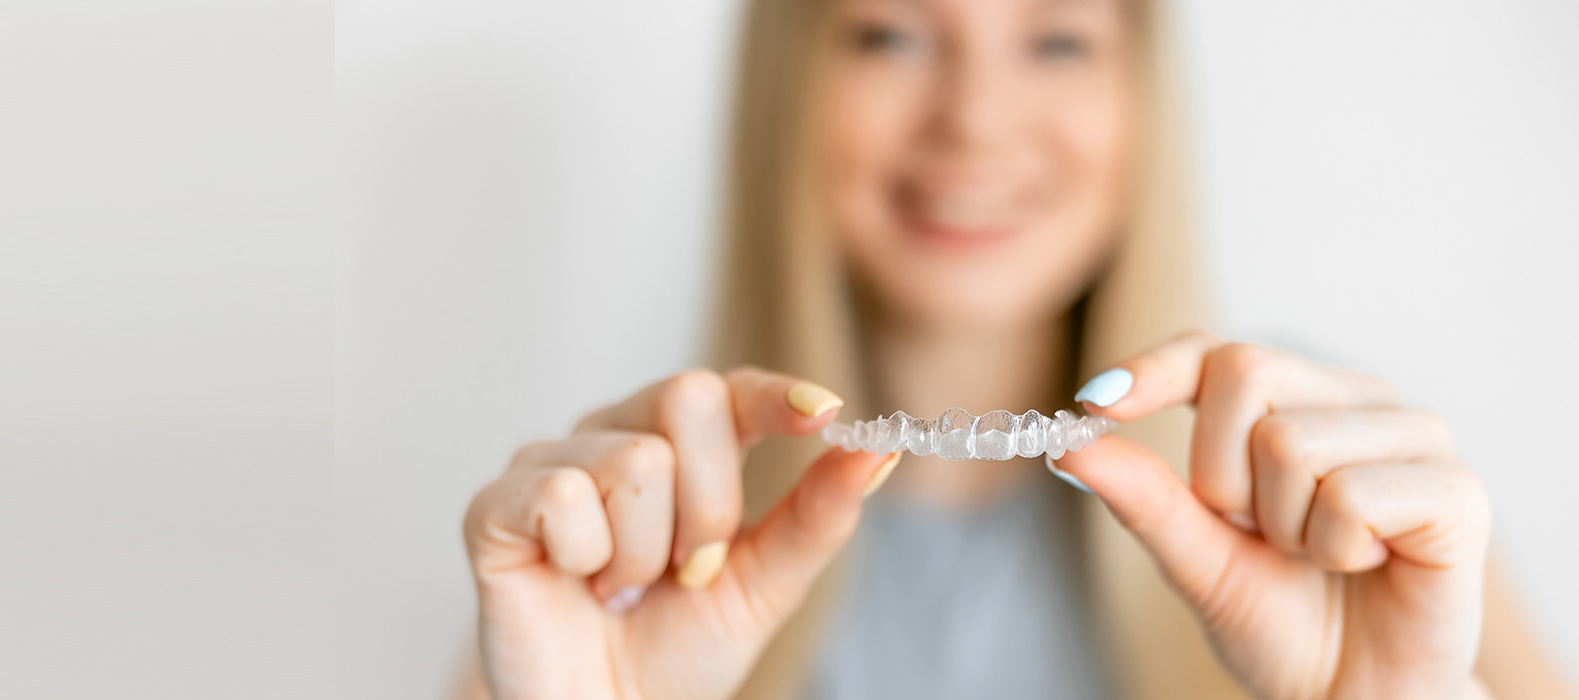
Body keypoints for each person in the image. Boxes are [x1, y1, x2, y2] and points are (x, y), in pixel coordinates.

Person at [458, 0, 1574, 697]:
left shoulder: (1334, 493)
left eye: (1056, 38)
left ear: (1141, 92)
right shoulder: (626, 555)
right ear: (785, 81)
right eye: (890, 32)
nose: (978, 118)